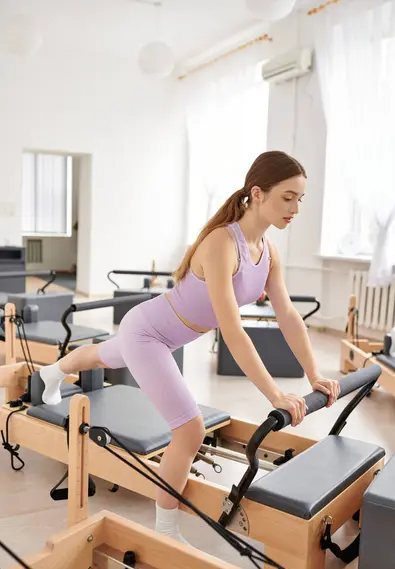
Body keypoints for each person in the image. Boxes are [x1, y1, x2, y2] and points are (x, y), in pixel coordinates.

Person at [39, 150, 340, 546]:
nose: (295, 208)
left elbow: (288, 316)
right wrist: (275, 394)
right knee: (190, 429)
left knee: (100, 354)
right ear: (258, 193)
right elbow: (233, 331)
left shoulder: (268, 253)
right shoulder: (222, 243)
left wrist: (314, 373)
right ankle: (165, 532)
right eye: (288, 197)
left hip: (159, 333)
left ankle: (50, 373)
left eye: (300, 199)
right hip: (147, 332)